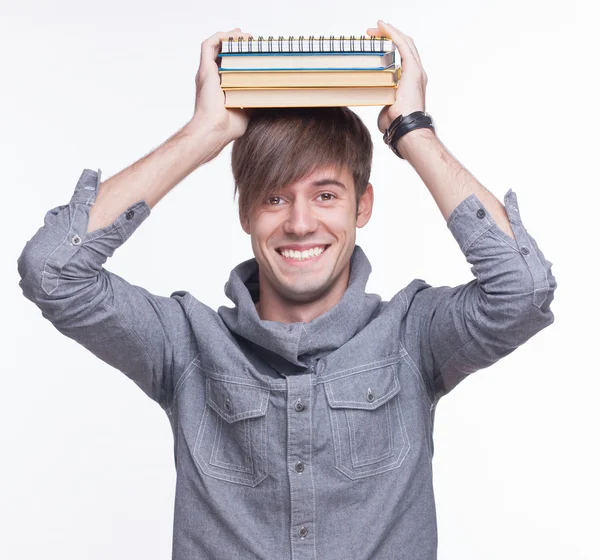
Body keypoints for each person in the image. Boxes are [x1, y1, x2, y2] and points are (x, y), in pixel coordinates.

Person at [17, 20, 556, 560]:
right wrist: (204, 134)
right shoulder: (184, 345)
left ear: (362, 206)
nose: (300, 224)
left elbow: (524, 291)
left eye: (325, 195)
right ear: (246, 211)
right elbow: (52, 270)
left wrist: (412, 129)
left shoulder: (413, 338)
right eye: (274, 198)